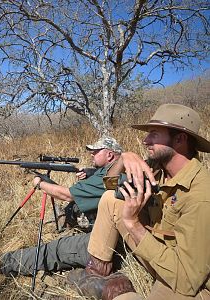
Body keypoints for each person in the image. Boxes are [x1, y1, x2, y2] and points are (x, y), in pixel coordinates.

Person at [67, 103, 210, 300]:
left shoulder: (201, 195)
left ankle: (119, 291)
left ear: (180, 139)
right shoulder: (157, 167)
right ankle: (96, 274)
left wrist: (133, 224)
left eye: (153, 134)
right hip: (156, 250)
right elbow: (109, 186)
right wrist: (123, 159)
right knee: (112, 199)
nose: (145, 140)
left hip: (183, 278)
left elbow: (186, 279)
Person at [0, 137, 124, 276]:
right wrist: (89, 173)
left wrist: (41, 183)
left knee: (53, 250)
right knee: (68, 210)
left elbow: (67, 194)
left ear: (109, 155)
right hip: (110, 231)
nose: (91, 155)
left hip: (106, 244)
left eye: (95, 152)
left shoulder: (109, 177)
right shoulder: (109, 173)